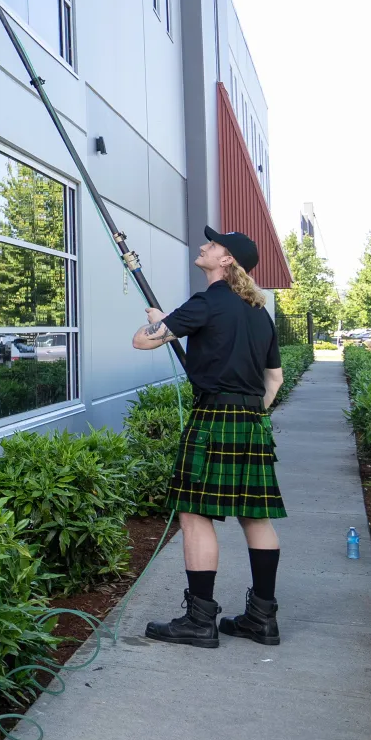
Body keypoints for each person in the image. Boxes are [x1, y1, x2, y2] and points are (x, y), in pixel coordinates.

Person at [132, 226, 286, 647]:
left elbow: (141, 343)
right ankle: (262, 619)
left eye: (213, 244)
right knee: (256, 515)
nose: (204, 246)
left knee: (194, 514)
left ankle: (200, 621)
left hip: (212, 419)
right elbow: (275, 378)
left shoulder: (206, 302)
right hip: (252, 422)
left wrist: (161, 324)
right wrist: (253, 411)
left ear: (226, 260)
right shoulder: (259, 312)